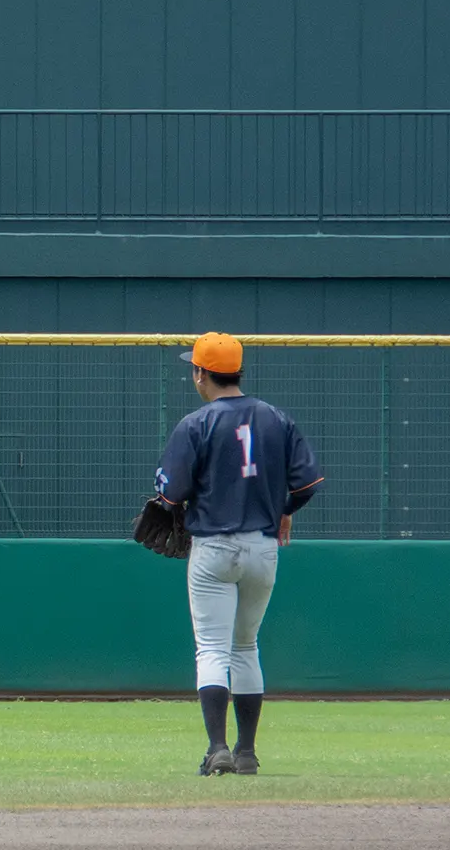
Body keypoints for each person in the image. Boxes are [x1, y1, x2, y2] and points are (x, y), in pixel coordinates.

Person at [153, 331, 324, 776]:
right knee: (245, 646)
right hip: (263, 546)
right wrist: (283, 510)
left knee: (211, 648)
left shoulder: (195, 423)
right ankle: (246, 752)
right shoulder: (276, 418)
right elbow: (306, 484)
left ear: (200, 374)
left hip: (213, 546)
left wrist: (173, 504)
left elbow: (169, 494)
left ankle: (217, 748)